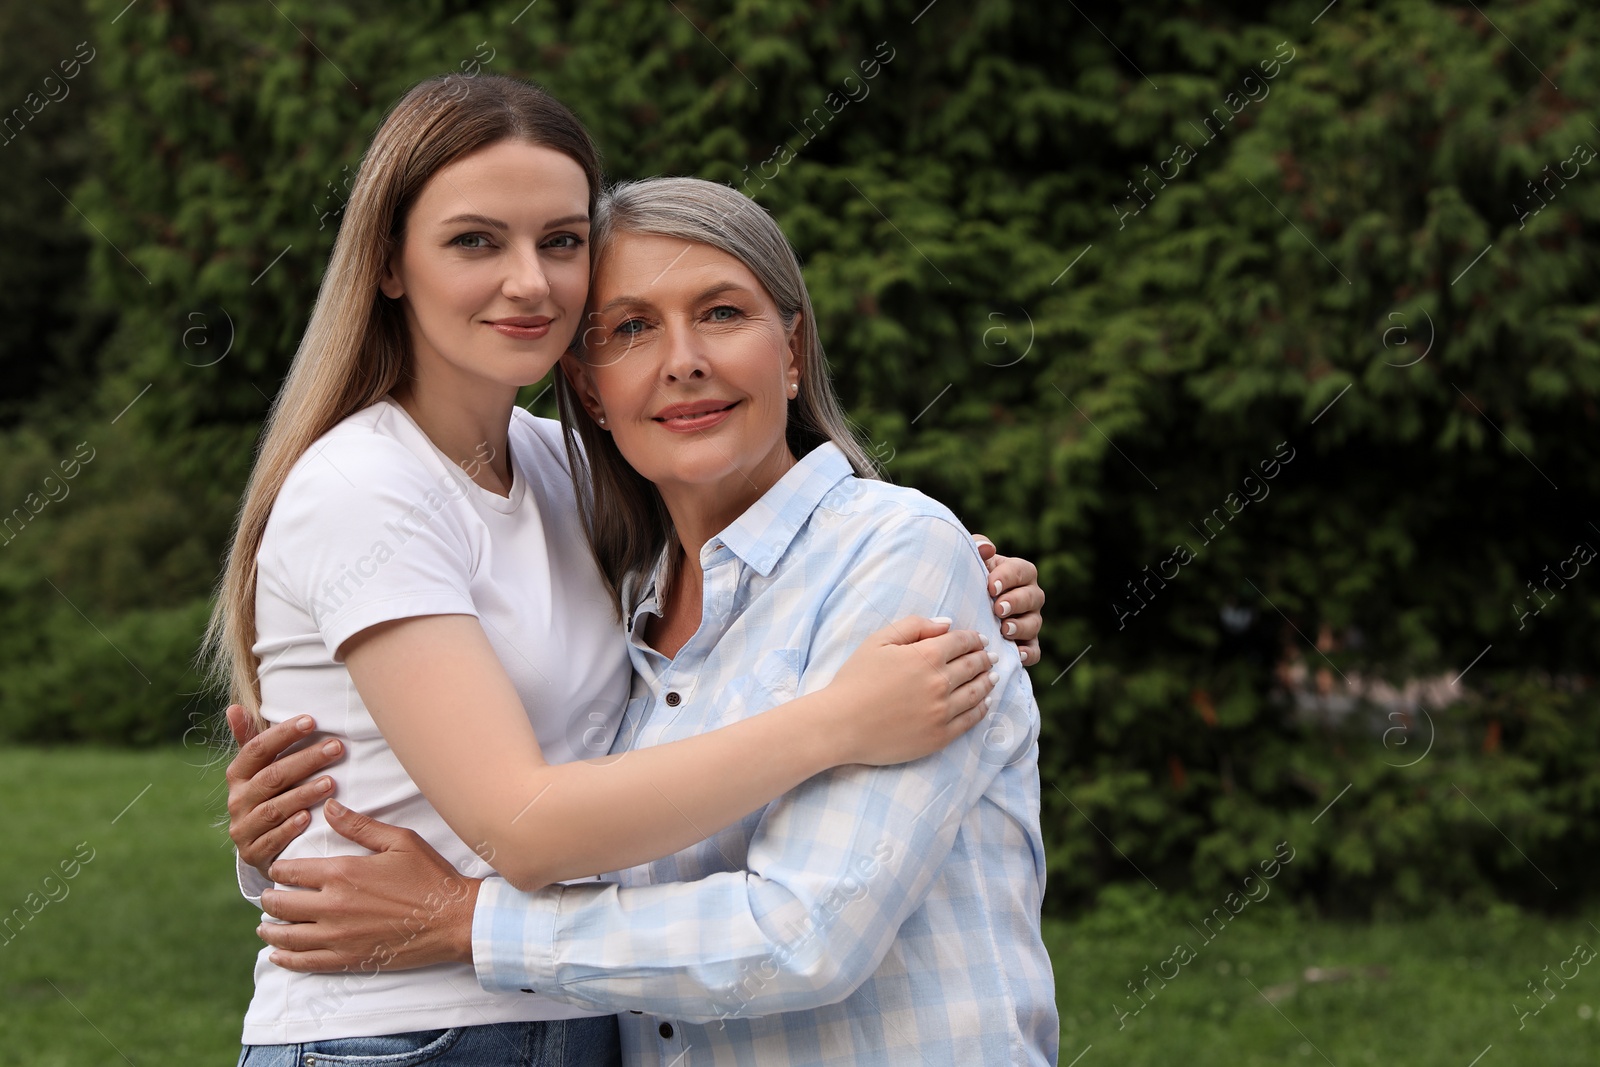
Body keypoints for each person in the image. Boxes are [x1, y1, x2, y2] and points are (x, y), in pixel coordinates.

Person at [209, 74, 1046, 1066]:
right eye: (477, 240)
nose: (528, 281)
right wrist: (838, 719)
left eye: (560, 242)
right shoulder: (369, 485)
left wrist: (968, 575)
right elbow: (523, 822)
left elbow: (769, 882)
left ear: (792, 349)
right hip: (411, 1033)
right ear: (390, 262)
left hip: (561, 1016)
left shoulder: (578, 485)